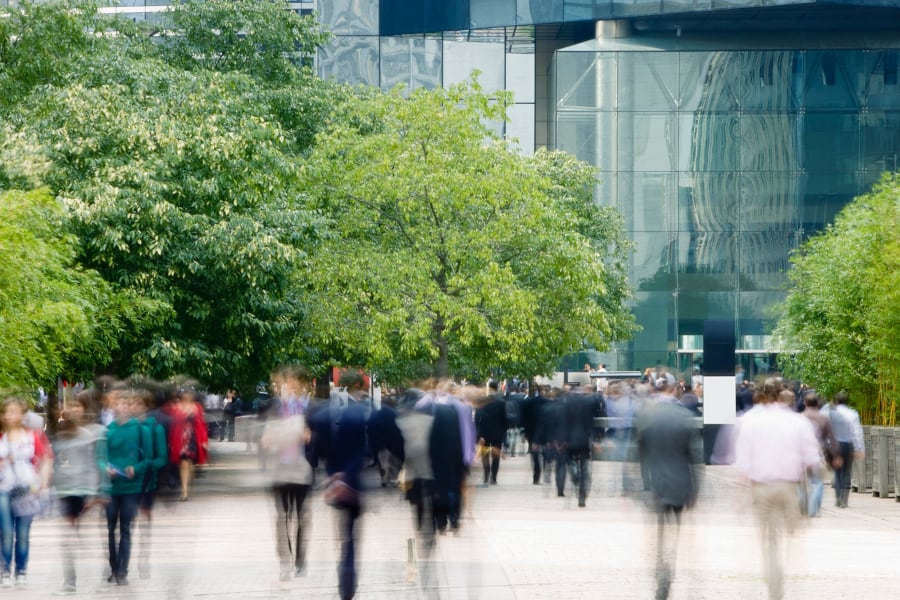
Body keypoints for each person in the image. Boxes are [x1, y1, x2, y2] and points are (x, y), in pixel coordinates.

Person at [735, 378, 821, 600]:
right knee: (788, 533)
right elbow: (812, 457)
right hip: (788, 487)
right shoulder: (796, 421)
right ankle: (784, 565)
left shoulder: (751, 421)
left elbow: (743, 461)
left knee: (767, 536)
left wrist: (738, 494)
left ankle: (771, 569)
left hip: (761, 488)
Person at [637, 395, 703, 600]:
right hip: (681, 484)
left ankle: (661, 570)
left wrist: (641, 484)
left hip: (658, 484)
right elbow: (694, 458)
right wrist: (695, 490)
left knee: (660, 530)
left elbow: (641, 456)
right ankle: (669, 565)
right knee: (675, 530)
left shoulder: (649, 422)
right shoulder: (684, 420)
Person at [313, 371, 368, 600]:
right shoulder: (360, 413)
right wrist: (347, 475)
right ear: (357, 385)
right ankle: (348, 584)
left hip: (334, 484)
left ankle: (343, 580)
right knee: (351, 537)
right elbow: (365, 450)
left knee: (343, 534)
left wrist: (332, 475)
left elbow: (316, 452)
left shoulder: (323, 415)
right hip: (354, 485)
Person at [261, 369, 314, 582]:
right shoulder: (274, 408)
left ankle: (300, 561)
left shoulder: (309, 408)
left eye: (293, 382)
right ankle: (285, 562)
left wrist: (309, 436)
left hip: (301, 470)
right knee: (282, 519)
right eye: (285, 382)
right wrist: (269, 440)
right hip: (280, 470)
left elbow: (317, 438)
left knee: (302, 518)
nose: (288, 386)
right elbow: (265, 439)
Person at [52, 390, 104, 594]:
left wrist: (92, 493)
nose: (72, 410)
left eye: (77, 406)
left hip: (82, 490)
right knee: (68, 537)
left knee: (76, 535)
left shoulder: (88, 436)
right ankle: (70, 580)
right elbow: (54, 462)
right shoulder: (60, 435)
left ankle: (87, 575)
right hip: (65, 489)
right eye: (70, 406)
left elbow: (92, 465)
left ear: (83, 411)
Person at [0, 397, 54, 588]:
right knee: (5, 532)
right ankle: (4, 569)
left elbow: (46, 458)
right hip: (3, 489)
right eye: (6, 411)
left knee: (23, 533)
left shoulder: (33, 436)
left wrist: (43, 483)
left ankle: (21, 570)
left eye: (14, 411)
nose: (9, 415)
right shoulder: (1, 437)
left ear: (22, 415)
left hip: (26, 489)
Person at [103, 389, 152, 586]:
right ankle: (114, 566)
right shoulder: (108, 431)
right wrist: (105, 468)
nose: (121, 408)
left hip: (131, 487)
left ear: (130, 407)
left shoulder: (141, 430)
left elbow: (147, 459)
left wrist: (136, 467)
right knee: (110, 529)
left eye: (125, 404)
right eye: (118, 404)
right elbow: (101, 458)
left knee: (125, 528)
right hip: (112, 487)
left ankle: (123, 570)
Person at [164, 384, 208, 501]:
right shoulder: (176, 407)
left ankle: (187, 485)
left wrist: (204, 440)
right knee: (183, 463)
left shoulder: (197, 407)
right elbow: (172, 425)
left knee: (189, 463)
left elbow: (201, 425)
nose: (187, 396)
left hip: (193, 438)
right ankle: (184, 491)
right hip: (180, 439)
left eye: (189, 393)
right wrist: (171, 441)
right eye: (185, 393)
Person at [800, 392, 839, 517]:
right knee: (817, 482)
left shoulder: (800, 418)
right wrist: (836, 454)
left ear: (805, 403)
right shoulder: (824, 418)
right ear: (817, 404)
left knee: (802, 482)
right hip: (819, 454)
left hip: (802, 454)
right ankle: (815, 509)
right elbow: (832, 438)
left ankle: (804, 507)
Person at [828, 392, 864, 508]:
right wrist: (859, 448)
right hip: (847, 444)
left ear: (836, 401)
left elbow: (828, 432)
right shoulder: (852, 414)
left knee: (837, 471)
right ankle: (844, 499)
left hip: (834, 445)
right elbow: (856, 432)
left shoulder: (831, 414)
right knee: (846, 471)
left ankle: (838, 497)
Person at [475, 382, 506, 486]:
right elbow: (505, 420)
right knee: (496, 455)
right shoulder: (501, 403)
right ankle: (494, 477)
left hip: (484, 432)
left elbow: (477, 419)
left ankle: (486, 474)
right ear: (497, 388)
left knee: (484, 455)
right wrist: (503, 432)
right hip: (497, 432)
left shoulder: (482, 403)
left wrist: (478, 435)